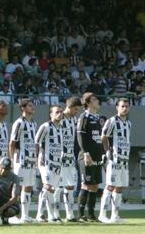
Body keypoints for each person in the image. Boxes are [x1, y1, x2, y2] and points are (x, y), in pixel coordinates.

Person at [100, 98, 131, 223]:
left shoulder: (128, 123)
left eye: (127, 106)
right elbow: (104, 136)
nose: (125, 108)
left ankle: (115, 215)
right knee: (110, 186)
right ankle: (102, 214)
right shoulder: (112, 121)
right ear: (117, 108)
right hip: (114, 159)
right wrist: (107, 152)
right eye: (122, 106)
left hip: (125, 159)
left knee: (120, 187)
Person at [9, 98, 38, 223]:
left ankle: (25, 215)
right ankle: (13, 215)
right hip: (20, 160)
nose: (32, 107)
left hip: (31, 160)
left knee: (29, 187)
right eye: (30, 105)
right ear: (23, 108)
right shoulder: (19, 123)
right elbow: (12, 143)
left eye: (32, 105)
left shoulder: (33, 123)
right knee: (17, 187)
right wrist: (11, 159)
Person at [77, 92, 104, 222]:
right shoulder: (84, 117)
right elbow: (80, 136)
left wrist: (103, 154)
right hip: (87, 157)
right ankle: (81, 215)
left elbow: (99, 138)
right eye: (94, 99)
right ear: (87, 103)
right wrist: (86, 153)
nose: (97, 101)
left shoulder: (98, 117)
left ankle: (91, 215)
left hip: (98, 157)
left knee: (95, 185)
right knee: (86, 185)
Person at [35, 105, 64, 223]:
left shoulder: (61, 128)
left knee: (52, 189)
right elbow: (36, 142)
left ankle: (50, 215)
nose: (60, 114)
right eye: (57, 112)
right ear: (51, 114)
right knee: (48, 186)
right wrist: (38, 157)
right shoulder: (45, 126)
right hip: (45, 162)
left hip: (57, 163)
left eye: (61, 112)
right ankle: (41, 214)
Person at [56, 97, 82, 221]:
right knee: (57, 186)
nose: (76, 111)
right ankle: (54, 214)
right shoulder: (59, 118)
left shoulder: (74, 120)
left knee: (70, 186)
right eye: (75, 109)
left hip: (70, 157)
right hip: (58, 158)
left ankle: (69, 214)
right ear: (70, 107)